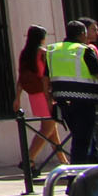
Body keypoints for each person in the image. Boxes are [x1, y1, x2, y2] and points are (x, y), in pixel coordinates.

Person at [47, 19, 98, 167]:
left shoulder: (53, 50)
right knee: (81, 142)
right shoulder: (85, 51)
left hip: (63, 102)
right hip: (84, 102)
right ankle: (75, 178)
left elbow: (45, 79)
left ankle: (80, 173)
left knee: (79, 139)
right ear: (82, 34)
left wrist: (49, 100)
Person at [17, 26, 63, 171]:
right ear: (41, 38)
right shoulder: (43, 53)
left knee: (51, 130)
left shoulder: (25, 54)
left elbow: (21, 78)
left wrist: (17, 98)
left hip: (33, 94)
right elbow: (49, 75)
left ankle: (64, 161)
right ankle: (28, 159)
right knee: (47, 129)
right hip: (45, 94)